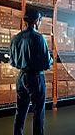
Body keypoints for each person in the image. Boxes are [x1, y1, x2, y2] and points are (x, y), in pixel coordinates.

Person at [10, 7, 53, 135]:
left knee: (20, 110)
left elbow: (12, 60)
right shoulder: (39, 38)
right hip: (35, 77)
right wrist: (50, 61)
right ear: (35, 21)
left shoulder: (16, 38)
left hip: (21, 77)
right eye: (39, 20)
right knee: (38, 112)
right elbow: (46, 61)